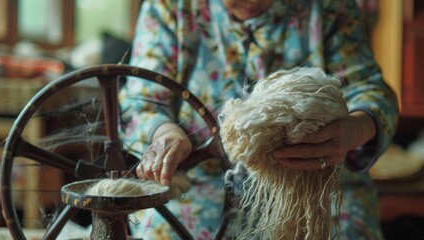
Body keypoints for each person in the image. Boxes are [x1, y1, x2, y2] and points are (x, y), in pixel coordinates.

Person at [118, 0, 399, 239]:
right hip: (197, 187)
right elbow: (142, 101)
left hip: (317, 186)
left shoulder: (328, 7)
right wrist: (166, 134)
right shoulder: (169, 7)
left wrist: (355, 128)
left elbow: (370, 90)